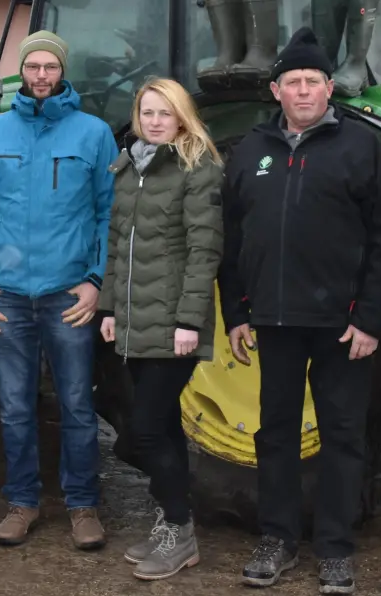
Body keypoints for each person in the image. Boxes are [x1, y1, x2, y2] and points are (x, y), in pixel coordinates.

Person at [218, 27, 381, 595]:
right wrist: (237, 314)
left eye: (313, 81)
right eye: (293, 82)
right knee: (274, 433)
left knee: (343, 436)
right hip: (273, 322)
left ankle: (335, 548)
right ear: (275, 90)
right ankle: (277, 538)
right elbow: (232, 241)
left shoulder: (362, 149)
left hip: (341, 326)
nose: (303, 91)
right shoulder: (249, 151)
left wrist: (370, 318)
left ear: (330, 88)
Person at [0, 30, 119, 551]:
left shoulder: (93, 134)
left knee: (76, 404)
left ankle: (82, 506)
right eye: (33, 67)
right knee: (13, 407)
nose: (42, 76)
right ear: (22, 72)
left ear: (62, 71)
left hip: (68, 296)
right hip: (5, 296)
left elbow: (106, 215)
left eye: (51, 66)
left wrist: (95, 282)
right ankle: (23, 502)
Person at [97, 78, 224, 581]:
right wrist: (109, 309)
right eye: (145, 112)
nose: (153, 121)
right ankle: (172, 520)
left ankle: (179, 526)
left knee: (144, 431)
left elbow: (204, 250)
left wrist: (189, 320)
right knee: (162, 425)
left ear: (181, 117)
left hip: (173, 324)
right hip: (132, 320)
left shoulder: (197, 168)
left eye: (163, 112)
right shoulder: (130, 168)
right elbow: (115, 246)